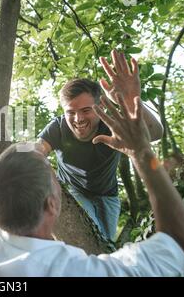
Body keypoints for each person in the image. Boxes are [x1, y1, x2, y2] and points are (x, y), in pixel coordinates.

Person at [0, 93, 184, 276]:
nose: (78, 118)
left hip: (108, 194)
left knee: (106, 240)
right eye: (52, 176)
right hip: (86, 194)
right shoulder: (77, 270)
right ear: (52, 204)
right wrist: (141, 152)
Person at [36, 50, 163, 241]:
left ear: (100, 107)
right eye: (71, 112)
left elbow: (155, 133)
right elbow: (38, 149)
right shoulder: (58, 127)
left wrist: (129, 99)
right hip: (73, 190)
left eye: (86, 110)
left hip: (108, 195)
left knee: (106, 245)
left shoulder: (111, 123)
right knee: (90, 239)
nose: (78, 119)